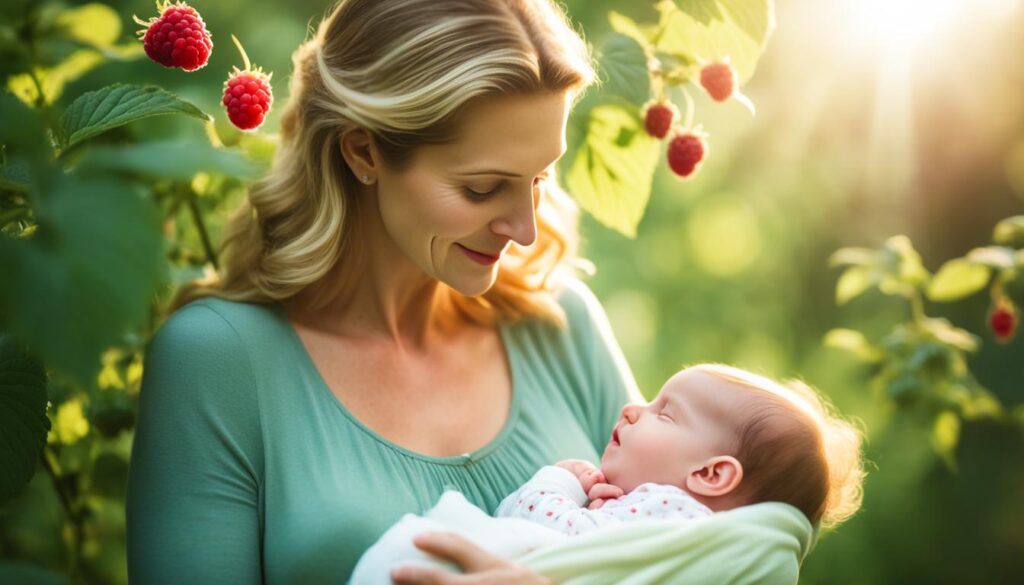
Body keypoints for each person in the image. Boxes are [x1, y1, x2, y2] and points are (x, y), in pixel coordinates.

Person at [125, 0, 643, 583]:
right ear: (363, 151)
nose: (524, 231)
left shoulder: (562, 324)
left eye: (540, 178)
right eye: (482, 188)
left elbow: (709, 546)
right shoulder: (216, 363)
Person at [495, 363, 865, 534]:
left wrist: (559, 484)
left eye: (665, 413)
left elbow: (553, 533)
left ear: (710, 474)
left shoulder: (679, 516)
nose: (632, 409)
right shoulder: (674, 526)